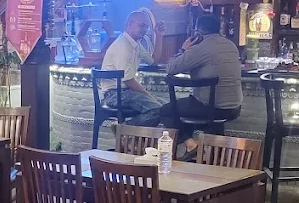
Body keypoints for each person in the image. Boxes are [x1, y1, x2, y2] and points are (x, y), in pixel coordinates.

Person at [165, 14, 243, 150]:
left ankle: (192, 146)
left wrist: (183, 49)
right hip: (234, 108)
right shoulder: (231, 45)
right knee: (192, 110)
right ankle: (213, 152)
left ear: (198, 33)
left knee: (166, 111)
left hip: (210, 108)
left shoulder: (199, 48)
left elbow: (171, 68)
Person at [100, 8, 164, 126]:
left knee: (167, 108)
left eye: (146, 27)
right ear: (130, 25)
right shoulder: (123, 45)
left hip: (126, 92)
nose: (144, 30)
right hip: (114, 94)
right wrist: (148, 95)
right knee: (159, 110)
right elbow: (128, 80)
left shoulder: (135, 44)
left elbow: (154, 61)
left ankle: (127, 131)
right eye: (142, 25)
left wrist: (159, 36)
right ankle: (123, 130)